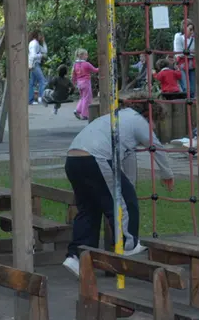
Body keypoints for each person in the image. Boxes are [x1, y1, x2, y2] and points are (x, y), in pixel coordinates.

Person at [62, 93, 175, 278]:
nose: (154, 127)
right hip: (95, 158)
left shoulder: (117, 119)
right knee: (125, 204)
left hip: (73, 160)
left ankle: (76, 257)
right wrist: (167, 174)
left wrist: (128, 186)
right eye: (155, 123)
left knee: (89, 210)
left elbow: (128, 163)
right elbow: (156, 146)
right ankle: (127, 244)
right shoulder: (138, 120)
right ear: (150, 115)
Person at [72, 49, 99, 121]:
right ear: (82, 56)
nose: (87, 56)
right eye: (86, 55)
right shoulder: (86, 64)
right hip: (86, 83)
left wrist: (74, 83)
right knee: (87, 98)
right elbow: (95, 70)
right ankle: (84, 114)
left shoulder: (75, 64)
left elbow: (73, 75)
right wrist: (102, 67)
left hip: (79, 83)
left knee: (82, 97)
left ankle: (77, 110)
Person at [173, 19, 195, 97]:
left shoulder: (194, 38)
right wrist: (191, 54)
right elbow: (178, 53)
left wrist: (188, 53)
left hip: (192, 65)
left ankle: (193, 105)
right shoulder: (178, 36)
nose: (192, 32)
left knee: (193, 89)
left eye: (193, 29)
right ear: (184, 28)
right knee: (185, 87)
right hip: (182, 65)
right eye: (190, 29)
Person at [28, 30, 48, 105]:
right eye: (40, 35)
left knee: (31, 83)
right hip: (34, 64)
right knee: (43, 81)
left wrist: (43, 42)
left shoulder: (36, 43)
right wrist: (41, 55)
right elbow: (33, 55)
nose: (41, 36)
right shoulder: (34, 43)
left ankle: (30, 100)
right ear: (36, 35)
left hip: (33, 64)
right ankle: (41, 98)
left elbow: (45, 51)